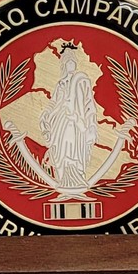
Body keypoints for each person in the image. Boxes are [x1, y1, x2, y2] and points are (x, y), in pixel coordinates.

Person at [39, 44, 98, 191]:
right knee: (61, 150)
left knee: (76, 149)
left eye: (73, 61)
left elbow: (89, 103)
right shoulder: (61, 84)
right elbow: (54, 102)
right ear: (64, 65)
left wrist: (91, 125)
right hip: (61, 122)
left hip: (77, 122)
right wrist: (46, 113)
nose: (71, 64)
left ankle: (77, 178)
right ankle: (62, 180)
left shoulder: (82, 80)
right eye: (68, 62)